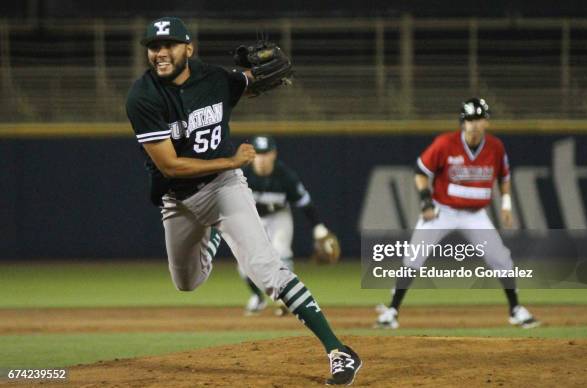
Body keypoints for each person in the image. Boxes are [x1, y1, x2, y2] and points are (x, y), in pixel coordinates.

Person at [125, 17, 361, 385]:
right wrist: (232, 159)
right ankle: (216, 233)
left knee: (268, 269)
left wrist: (255, 75)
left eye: (169, 45)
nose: (160, 53)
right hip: (179, 198)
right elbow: (169, 165)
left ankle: (338, 351)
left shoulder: (217, 80)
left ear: (189, 48)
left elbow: (252, 83)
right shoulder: (143, 97)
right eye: (154, 47)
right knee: (186, 283)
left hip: (223, 188)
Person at [375, 97, 540, 330]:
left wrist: (506, 205)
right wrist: (425, 202)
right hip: (444, 210)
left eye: (478, 118)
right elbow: (421, 171)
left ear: (486, 122)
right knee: (414, 257)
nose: (473, 124)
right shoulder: (445, 143)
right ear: (462, 122)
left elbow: (504, 176)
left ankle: (515, 310)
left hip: (475, 214)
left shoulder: (495, 147)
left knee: (501, 258)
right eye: (469, 119)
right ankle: (392, 310)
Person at [239, 135, 336, 316]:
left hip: (278, 216)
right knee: (244, 262)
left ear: (273, 154)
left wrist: (318, 226)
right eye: (258, 154)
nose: (262, 158)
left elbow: (304, 203)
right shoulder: (242, 174)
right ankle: (258, 297)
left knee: (281, 252)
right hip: (253, 219)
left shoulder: (285, 176)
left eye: (266, 153)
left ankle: (287, 298)